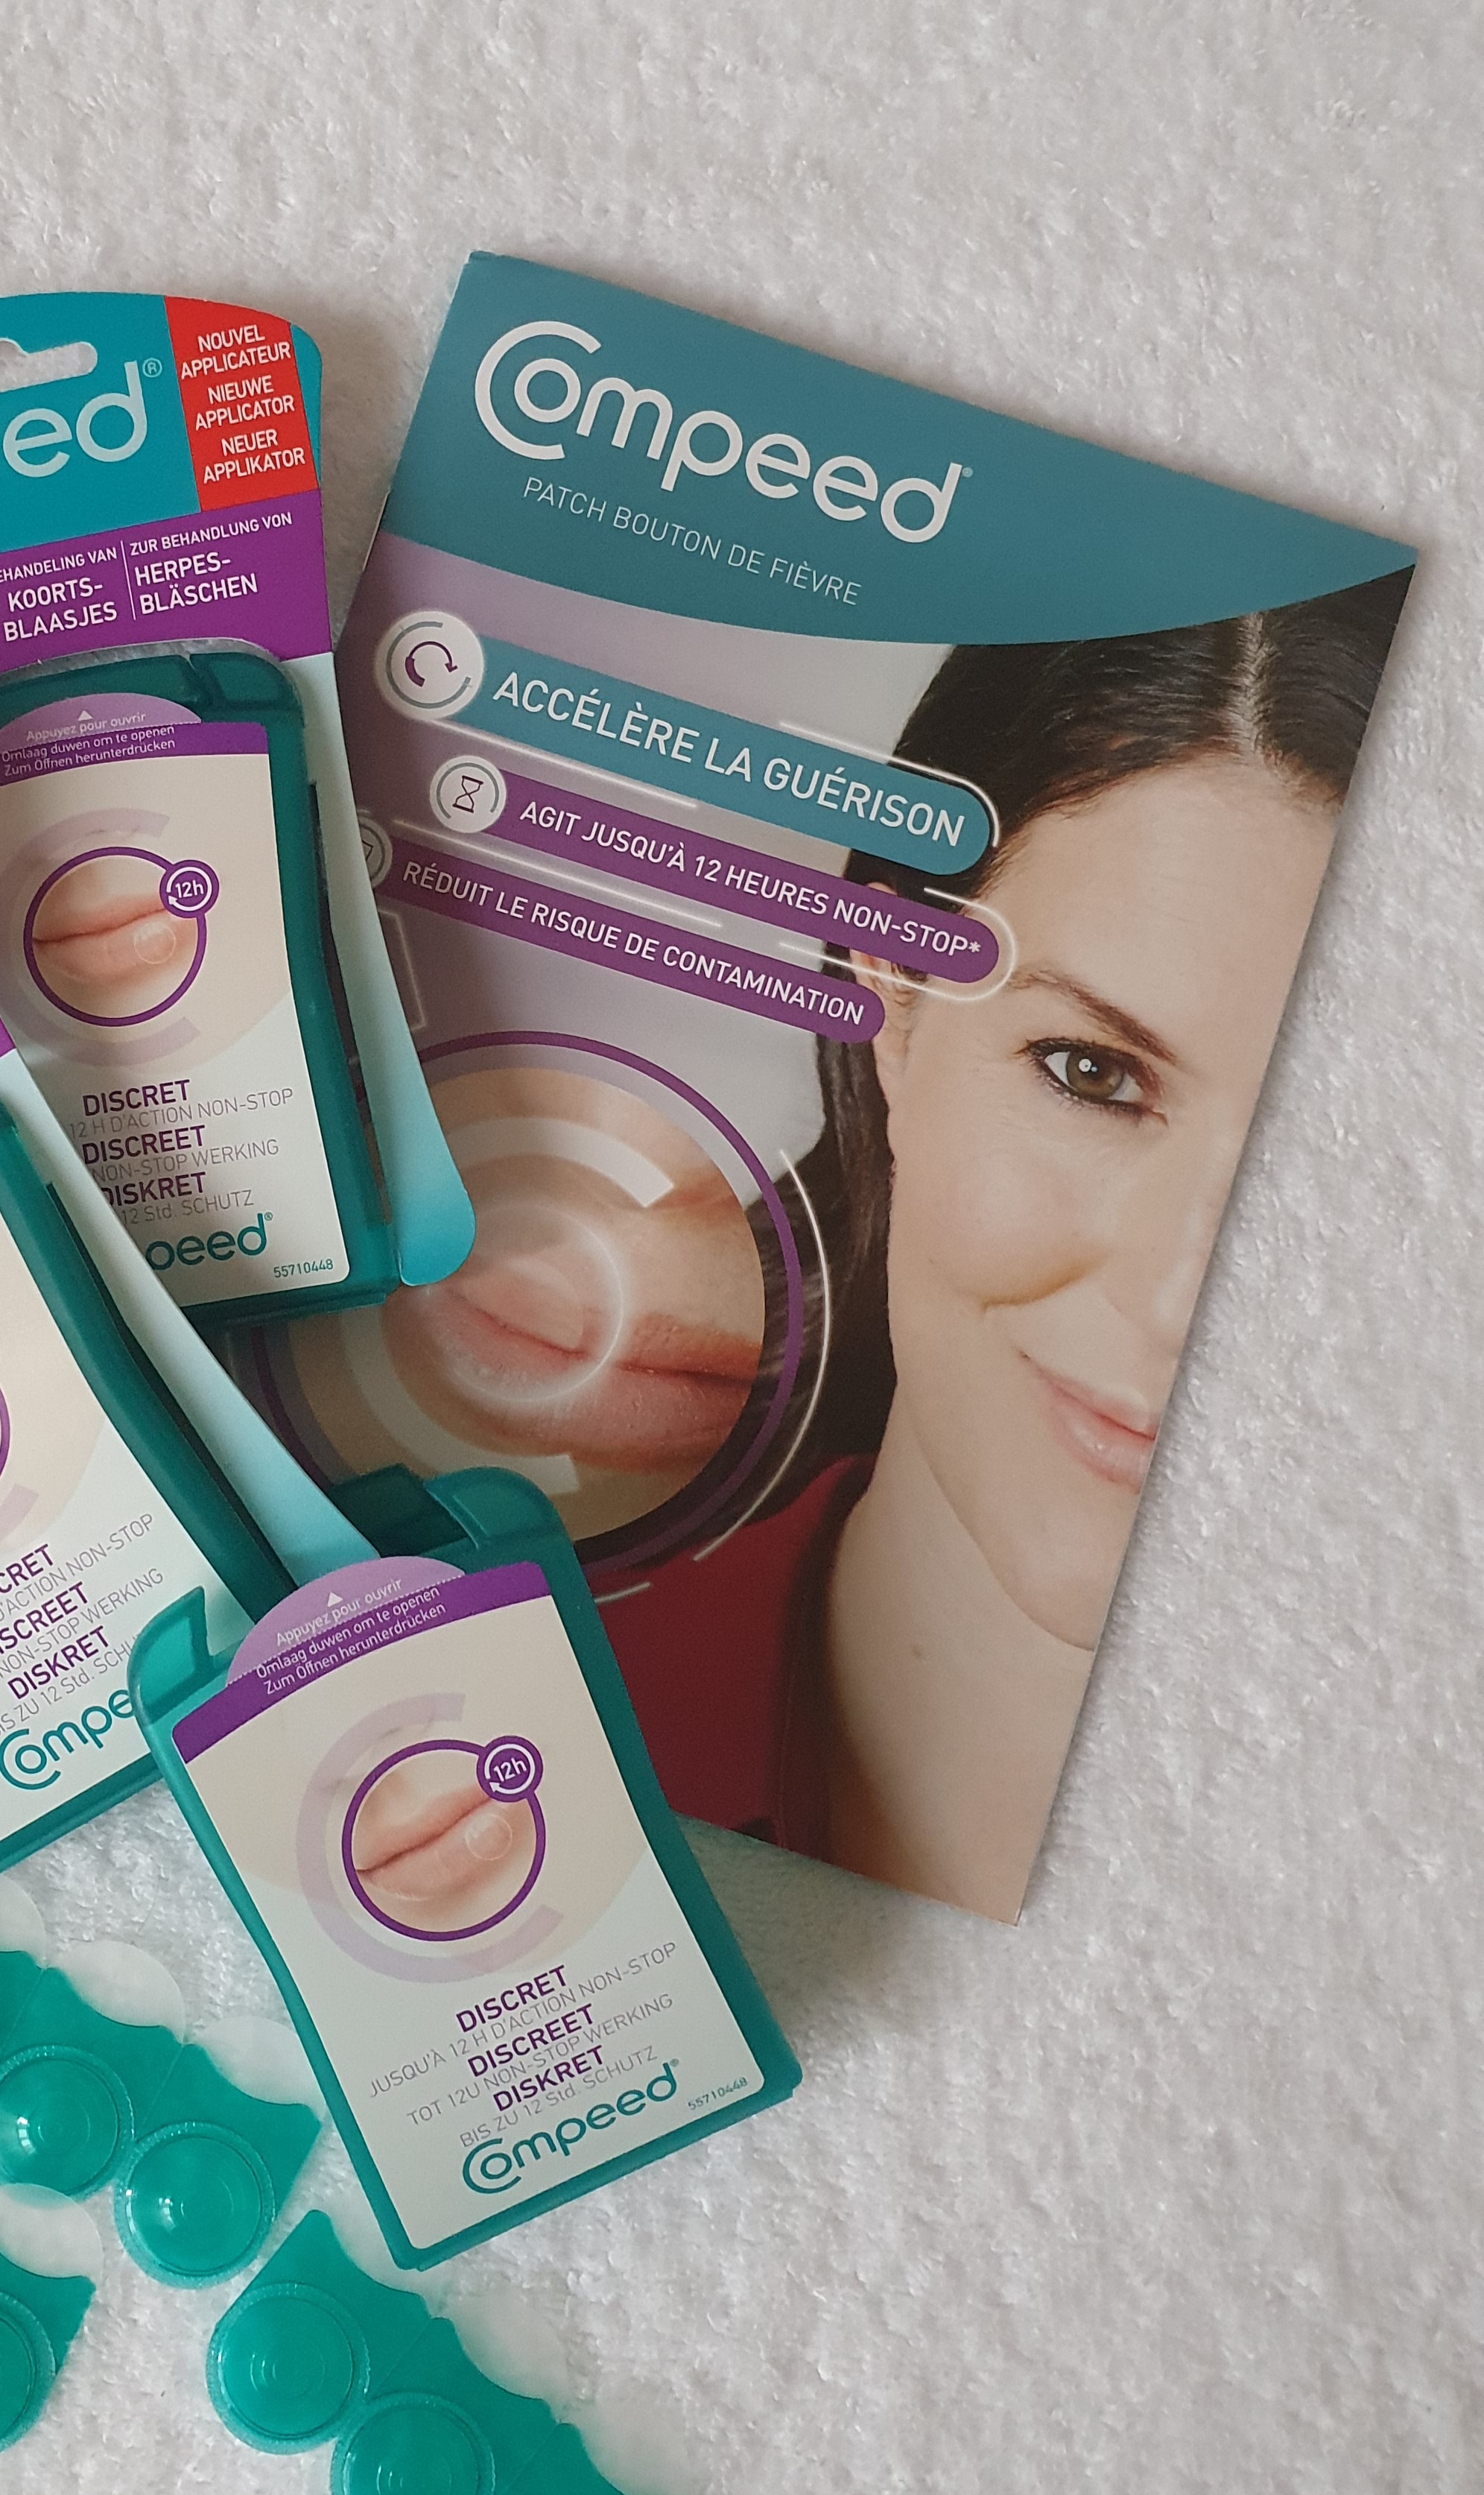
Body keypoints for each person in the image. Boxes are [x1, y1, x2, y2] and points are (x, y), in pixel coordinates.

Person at [602, 575, 1408, 1917]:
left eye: (1351, 1149)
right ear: (895, 1012)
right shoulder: (521, 1735)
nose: (1180, 1301)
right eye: (1091, 1072)